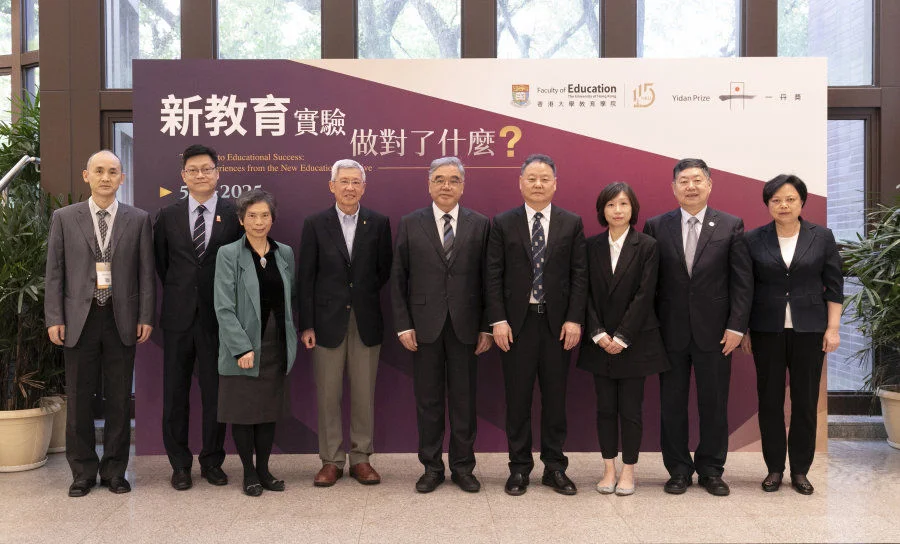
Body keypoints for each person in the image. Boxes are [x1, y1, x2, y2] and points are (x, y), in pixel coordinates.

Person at [45, 150, 155, 497]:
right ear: (86, 176)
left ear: (122, 178)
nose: (106, 177)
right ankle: (82, 472)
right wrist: (54, 318)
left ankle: (114, 472)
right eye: (99, 171)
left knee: (120, 399)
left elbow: (146, 275)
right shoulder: (64, 217)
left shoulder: (138, 219)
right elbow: (54, 273)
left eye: (113, 171)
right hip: (79, 319)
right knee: (78, 398)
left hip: (121, 318)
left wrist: (145, 317)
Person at [643, 158, 752, 497]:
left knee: (714, 404)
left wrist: (737, 327)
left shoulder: (730, 225)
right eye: (683, 181)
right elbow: (648, 285)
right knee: (672, 405)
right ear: (673, 187)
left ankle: (710, 470)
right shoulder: (656, 226)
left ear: (709, 185)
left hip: (717, 333)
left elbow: (741, 281)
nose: (690, 186)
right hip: (670, 333)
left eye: (697, 180)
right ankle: (677, 470)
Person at [486, 153, 588, 496]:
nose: (538, 184)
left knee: (556, 400)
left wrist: (574, 318)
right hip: (516, 325)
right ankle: (519, 469)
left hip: (558, 325)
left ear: (555, 183)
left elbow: (579, 275)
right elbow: (493, 276)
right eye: (531, 178)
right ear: (520, 183)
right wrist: (498, 320)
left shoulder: (571, 222)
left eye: (545, 178)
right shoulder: (502, 222)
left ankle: (555, 468)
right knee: (517, 400)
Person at [391, 157, 493, 493]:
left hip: (466, 327)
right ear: (429, 184)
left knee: (464, 401)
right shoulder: (410, 222)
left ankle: (463, 467)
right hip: (424, 327)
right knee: (429, 401)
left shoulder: (480, 224)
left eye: (453, 180)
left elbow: (488, 280)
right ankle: (431, 467)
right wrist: (404, 325)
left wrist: (487, 326)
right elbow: (398, 278)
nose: (445, 186)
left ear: (462, 186)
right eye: (439, 179)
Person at [740, 174, 843, 495]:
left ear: (802, 202)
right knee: (769, 401)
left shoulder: (822, 237)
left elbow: (835, 286)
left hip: (810, 331)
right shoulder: (753, 239)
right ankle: (774, 468)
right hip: (766, 330)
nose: (783, 205)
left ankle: (800, 470)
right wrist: (743, 328)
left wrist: (833, 328)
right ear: (768, 204)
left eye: (790, 199)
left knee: (805, 401)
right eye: (776, 200)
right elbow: (744, 288)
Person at [297, 159, 392, 487]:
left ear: (363, 187)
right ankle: (331, 460)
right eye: (344, 181)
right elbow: (305, 277)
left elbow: (383, 272)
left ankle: (361, 458)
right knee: (328, 393)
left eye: (356, 182)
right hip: (326, 321)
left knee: (364, 392)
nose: (350, 187)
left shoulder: (378, 223)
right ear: (332, 185)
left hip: (366, 319)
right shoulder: (315, 223)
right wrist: (306, 324)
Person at [153, 144, 243, 491]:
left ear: (218, 173)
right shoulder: (167, 215)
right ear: (183, 177)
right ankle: (179, 464)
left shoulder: (235, 214)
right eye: (193, 170)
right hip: (177, 319)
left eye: (207, 169)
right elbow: (164, 266)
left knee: (215, 394)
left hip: (218, 319)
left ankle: (212, 460)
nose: (201, 175)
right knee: (175, 394)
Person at [577, 182, 669, 496]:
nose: (618, 211)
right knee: (604, 409)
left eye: (624, 204)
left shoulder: (647, 245)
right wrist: (600, 334)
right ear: (602, 210)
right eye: (611, 205)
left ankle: (629, 471)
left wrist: (623, 336)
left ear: (633, 209)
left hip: (636, 342)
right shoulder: (590, 246)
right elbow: (583, 293)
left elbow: (646, 295)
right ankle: (608, 469)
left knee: (631, 409)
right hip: (598, 341)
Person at [213, 189, 297, 497]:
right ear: (241, 219)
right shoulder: (229, 254)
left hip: (276, 346)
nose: (259, 222)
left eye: (264, 216)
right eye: (252, 216)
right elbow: (223, 307)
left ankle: (264, 469)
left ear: (273, 219)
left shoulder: (284, 253)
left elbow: (290, 300)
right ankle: (248, 472)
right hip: (245, 348)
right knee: (244, 413)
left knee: (267, 413)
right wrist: (241, 347)